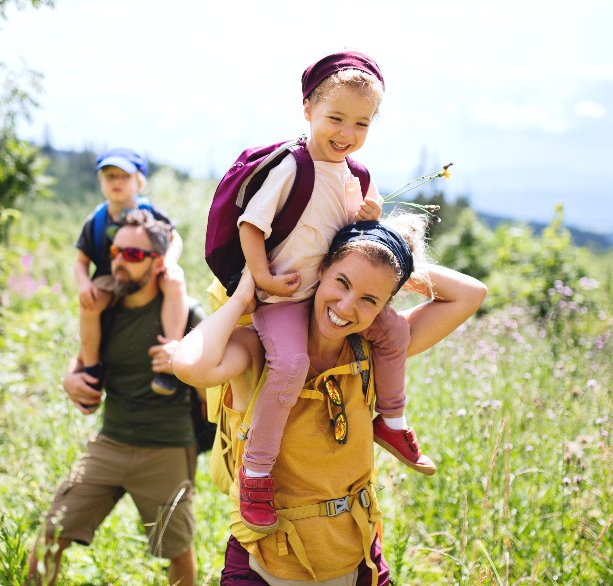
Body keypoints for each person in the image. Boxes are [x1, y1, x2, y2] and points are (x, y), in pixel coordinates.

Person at [172, 218, 487, 585]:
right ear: (319, 270)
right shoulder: (258, 348)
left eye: (370, 299)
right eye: (342, 282)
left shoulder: (374, 351)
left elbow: (471, 294)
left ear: (384, 306)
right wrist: (244, 297)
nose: (347, 305)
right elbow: (191, 366)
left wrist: (389, 257)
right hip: (263, 563)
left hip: (358, 561)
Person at [232, 50, 432, 534]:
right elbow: (251, 225)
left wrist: (367, 216)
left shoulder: (355, 175)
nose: (347, 133)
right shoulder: (291, 167)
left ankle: (391, 418)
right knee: (291, 365)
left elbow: (357, 239)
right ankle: (256, 473)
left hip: (328, 292)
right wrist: (262, 278)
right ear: (308, 110)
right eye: (336, 118)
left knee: (392, 334)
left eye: (361, 124)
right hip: (284, 296)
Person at [28, 210, 205, 586]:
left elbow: (216, 382)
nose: (119, 261)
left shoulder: (187, 313)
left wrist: (185, 364)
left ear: (159, 263)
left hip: (167, 448)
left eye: (133, 255)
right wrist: (69, 380)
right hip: (110, 443)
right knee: (51, 535)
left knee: (175, 548)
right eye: (115, 251)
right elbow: (81, 363)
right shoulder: (105, 309)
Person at [74, 147, 189, 396]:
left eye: (124, 176)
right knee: (89, 306)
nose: (116, 182)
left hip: (148, 271)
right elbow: (81, 261)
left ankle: (169, 355)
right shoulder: (96, 220)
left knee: (175, 283)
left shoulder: (151, 212)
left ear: (139, 181)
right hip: (109, 276)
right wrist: (84, 284)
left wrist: (168, 262)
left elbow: (174, 238)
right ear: (100, 181)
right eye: (109, 176)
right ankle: (92, 368)